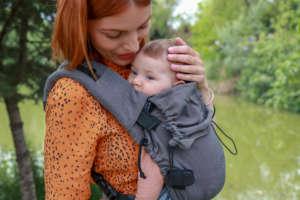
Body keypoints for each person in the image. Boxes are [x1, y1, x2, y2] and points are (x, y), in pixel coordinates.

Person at [44, 1, 215, 199]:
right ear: (79, 25)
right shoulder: (73, 95)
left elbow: (203, 142)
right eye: (114, 34)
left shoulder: (152, 67)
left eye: (143, 26)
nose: (133, 45)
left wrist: (200, 88)